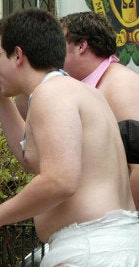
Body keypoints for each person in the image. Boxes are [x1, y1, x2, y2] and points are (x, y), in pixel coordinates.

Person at [0, 9, 139, 267]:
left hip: (89, 253)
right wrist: (1, 100)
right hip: (115, 246)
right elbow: (34, 160)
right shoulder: (77, 91)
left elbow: (59, 179)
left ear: (18, 55)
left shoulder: (51, 94)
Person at [59, 11, 139, 208]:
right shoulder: (93, 85)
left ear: (81, 45)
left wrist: (129, 221)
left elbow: (138, 167)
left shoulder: (120, 86)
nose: (52, 52)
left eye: (58, 44)